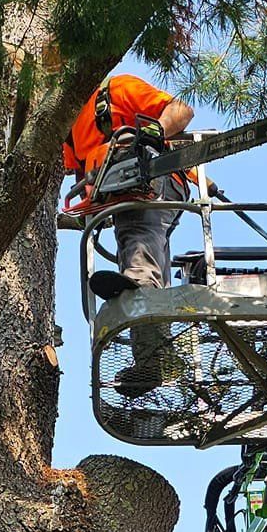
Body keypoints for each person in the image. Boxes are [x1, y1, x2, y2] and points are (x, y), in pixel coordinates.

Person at [63, 73, 195, 397]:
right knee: (137, 240)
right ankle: (153, 357)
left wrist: (152, 134)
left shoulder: (115, 90)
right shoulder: (67, 130)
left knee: (139, 234)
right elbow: (73, 172)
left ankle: (143, 284)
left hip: (156, 176)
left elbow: (182, 110)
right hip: (117, 199)